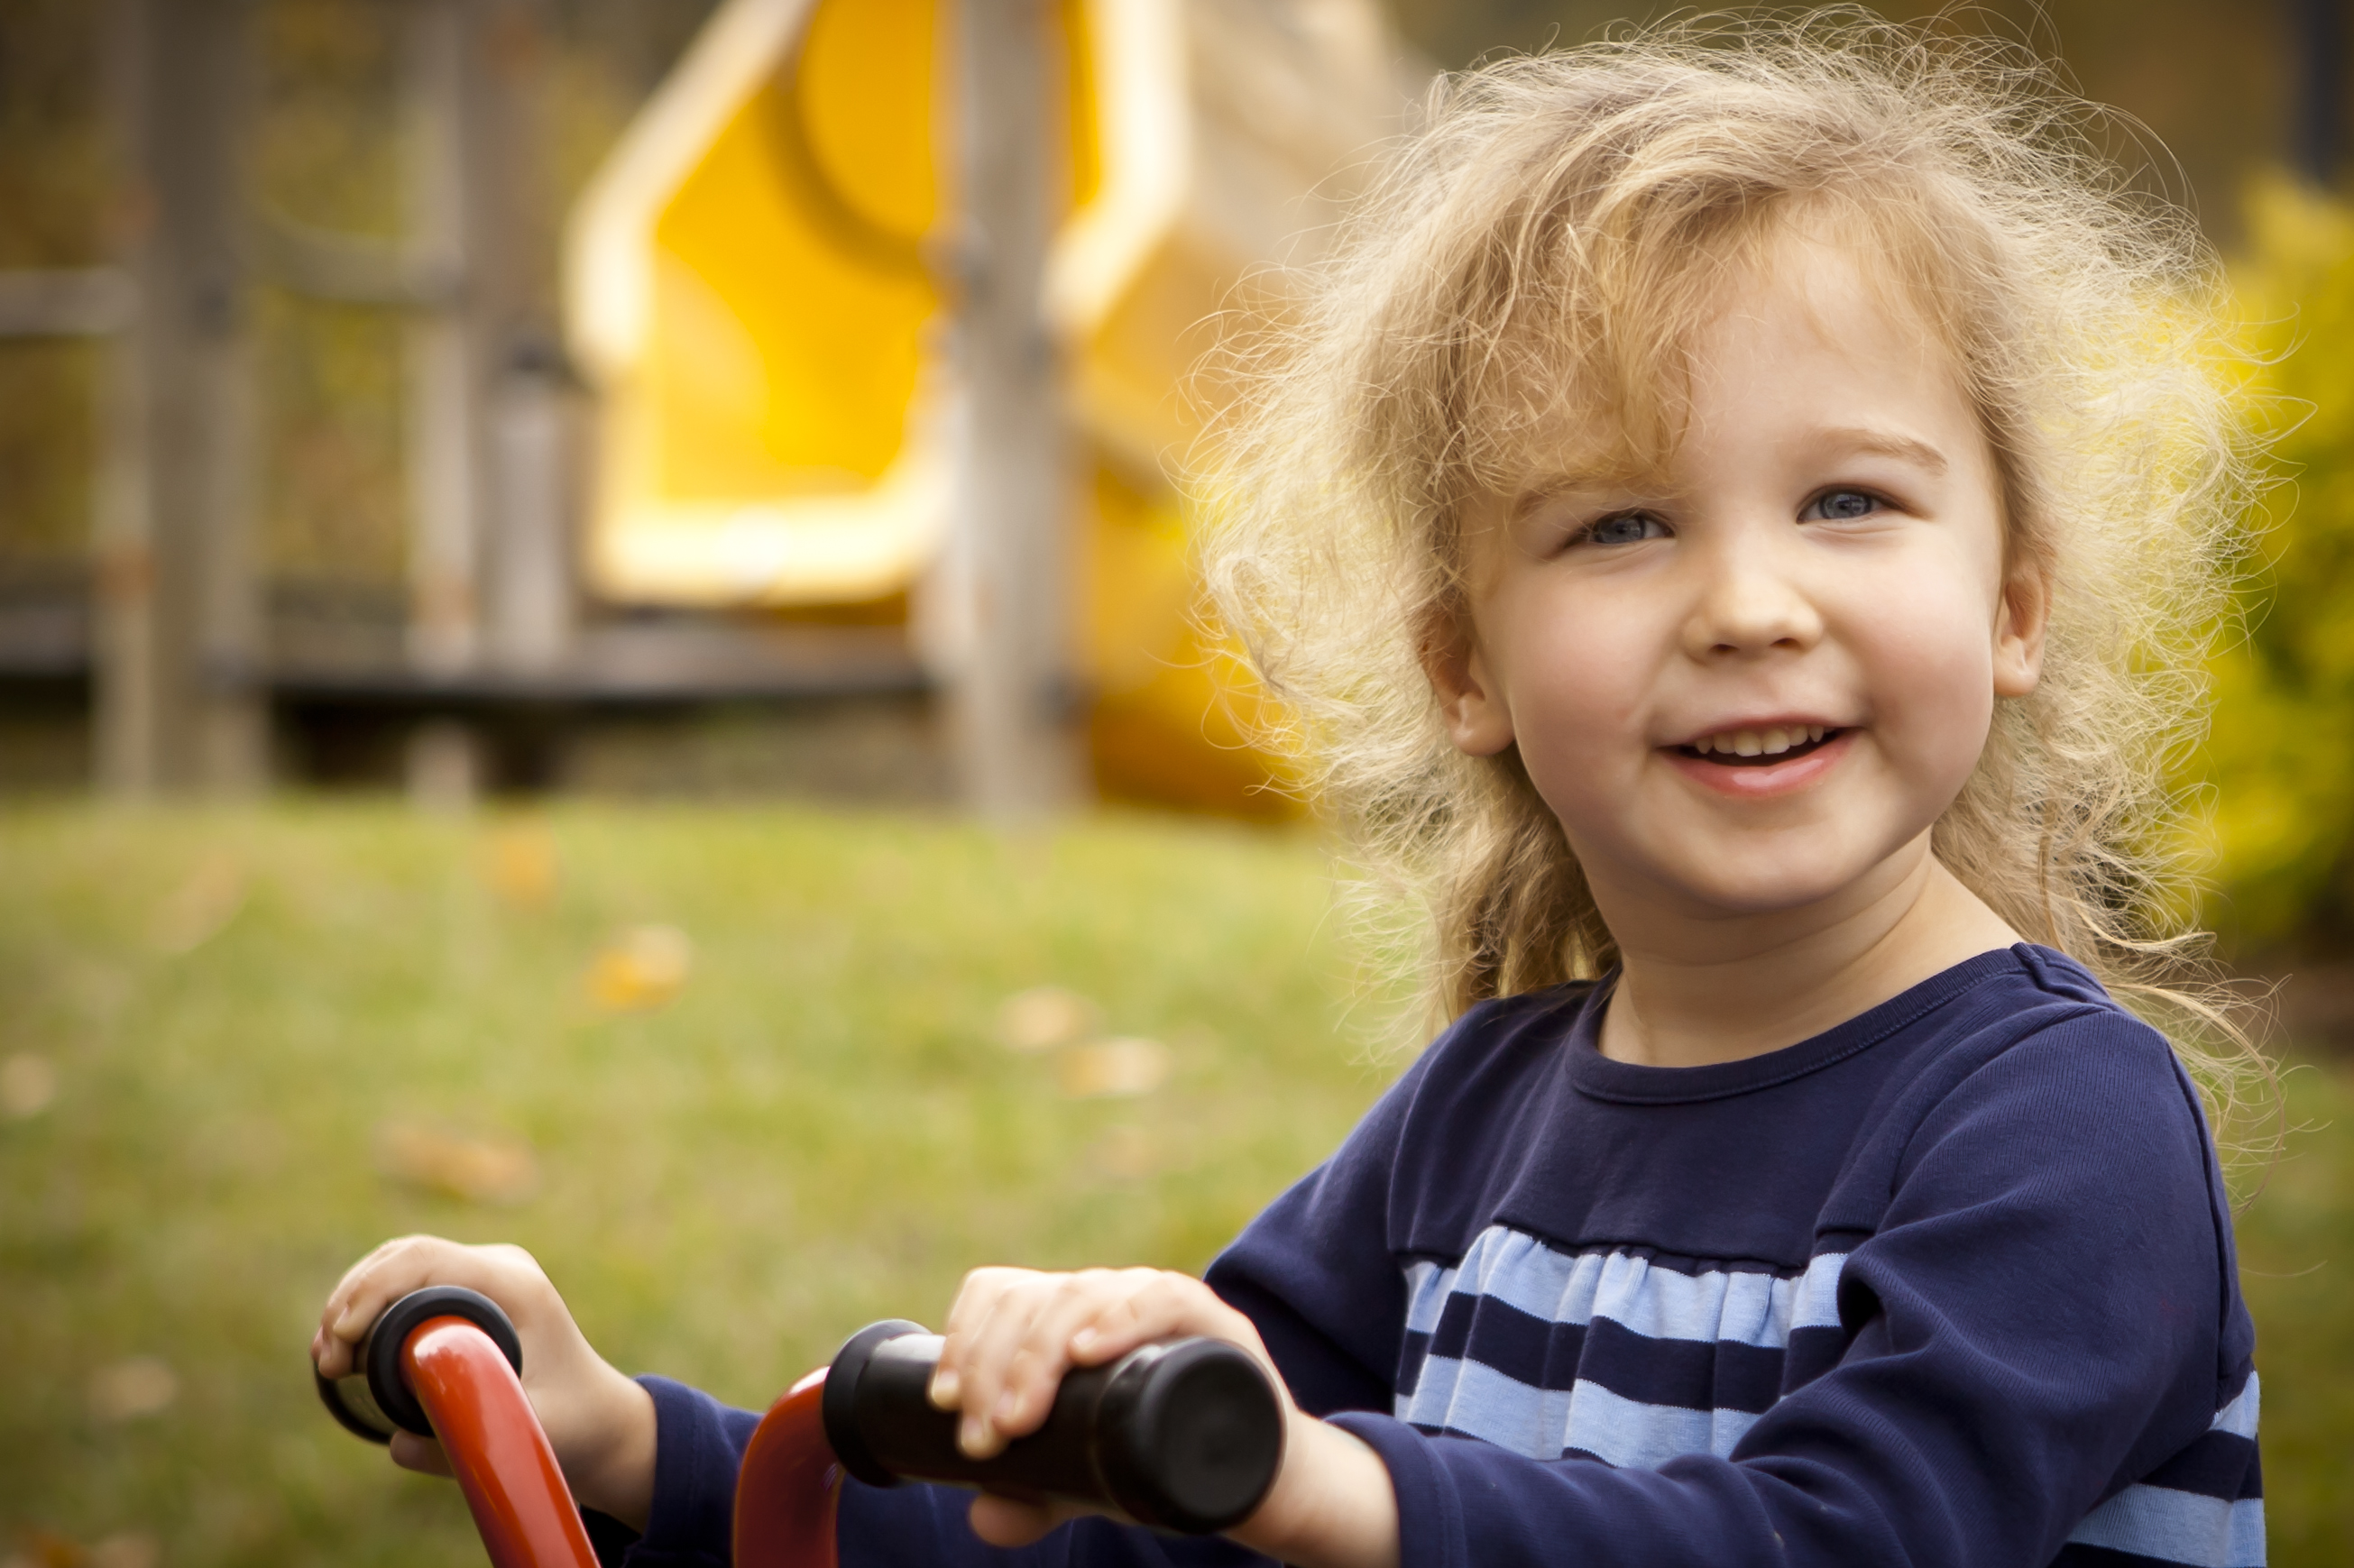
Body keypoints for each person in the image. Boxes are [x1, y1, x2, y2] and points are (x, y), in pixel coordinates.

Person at [313, 16, 2271, 1568]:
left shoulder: (2057, 1129)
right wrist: (636, 1442)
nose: (1749, 605)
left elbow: (1835, 1542)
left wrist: (1322, 1490)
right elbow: (1127, 1533)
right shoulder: (1474, 1121)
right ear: (1463, 672)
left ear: (2010, 604)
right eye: (1620, 525)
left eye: (1846, 501)